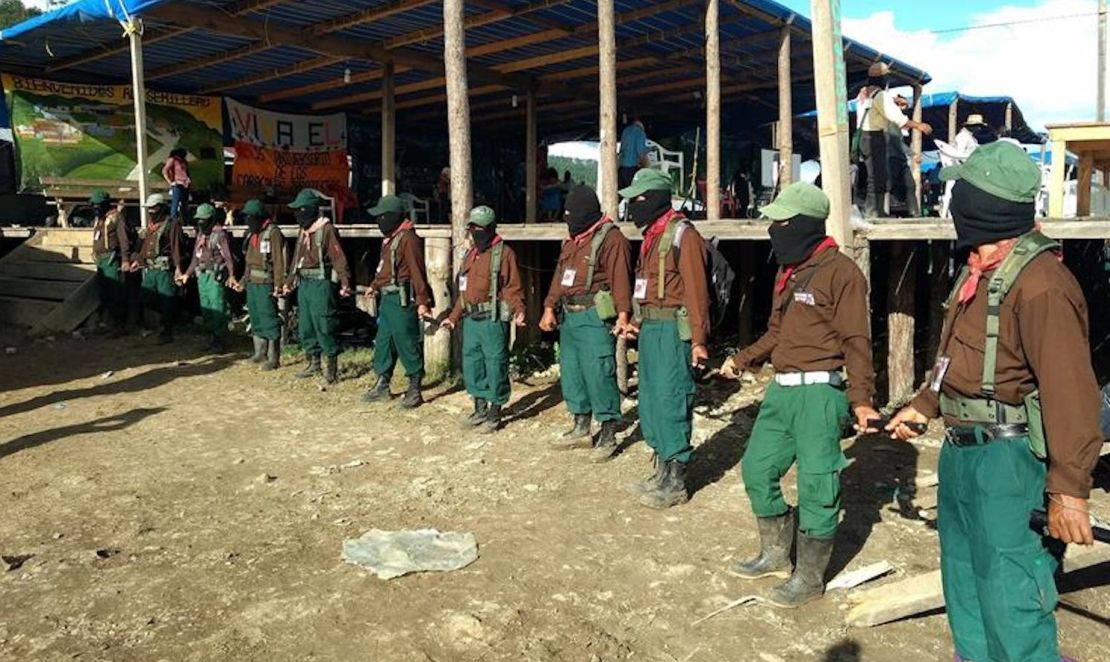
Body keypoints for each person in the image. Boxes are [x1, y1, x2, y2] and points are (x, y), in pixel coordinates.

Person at [886, 141, 1101, 662]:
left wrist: (1069, 491)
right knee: (965, 580)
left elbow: (1071, 393)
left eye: (964, 190)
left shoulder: (1043, 283)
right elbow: (954, 355)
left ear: (988, 204)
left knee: (1011, 593)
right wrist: (925, 404)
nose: (954, 198)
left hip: (1009, 461)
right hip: (962, 452)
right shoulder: (977, 269)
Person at [720, 182, 879, 608]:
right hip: (781, 393)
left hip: (818, 395)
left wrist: (861, 398)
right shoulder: (789, 270)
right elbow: (776, 331)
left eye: (781, 222)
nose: (774, 229)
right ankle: (775, 554)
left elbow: (856, 341)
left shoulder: (842, 273)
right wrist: (743, 359)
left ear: (806, 225)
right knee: (757, 469)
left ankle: (809, 578)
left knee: (816, 486)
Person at [619, 169, 708, 509]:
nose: (634, 206)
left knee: (672, 399)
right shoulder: (651, 236)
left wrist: (699, 340)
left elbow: (697, 294)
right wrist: (637, 321)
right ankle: (661, 470)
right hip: (651, 330)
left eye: (639, 199)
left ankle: (677, 481)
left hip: (673, 331)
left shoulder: (682, 236)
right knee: (652, 400)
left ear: (656, 198)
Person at [540, 184, 633, 461]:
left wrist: (624, 315)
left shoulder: (612, 239)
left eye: (573, 215)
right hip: (569, 316)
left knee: (599, 373)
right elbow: (560, 276)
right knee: (573, 372)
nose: (569, 221)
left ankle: (608, 432)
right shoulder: (571, 239)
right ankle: (581, 427)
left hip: (594, 315)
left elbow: (620, 281)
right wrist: (548, 306)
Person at [441, 206, 525, 433]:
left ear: (489, 229)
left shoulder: (504, 254)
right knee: (472, 364)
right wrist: (453, 317)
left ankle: (495, 412)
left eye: (478, 228)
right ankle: (479, 408)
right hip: (471, 319)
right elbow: (463, 292)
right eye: (471, 228)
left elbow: (512, 287)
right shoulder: (471, 253)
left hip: (492, 319)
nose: (474, 232)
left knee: (495, 364)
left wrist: (519, 309)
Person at [363, 194, 433, 409]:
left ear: (392, 217)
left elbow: (417, 271)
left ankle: (414, 388)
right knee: (384, 342)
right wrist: (374, 285)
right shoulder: (391, 238)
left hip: (403, 300)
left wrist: (423, 301)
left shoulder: (408, 238)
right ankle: (382, 383)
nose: (379, 222)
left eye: (382, 217)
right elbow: (384, 269)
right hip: (387, 298)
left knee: (407, 342)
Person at [282, 189, 352, 385]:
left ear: (311, 210)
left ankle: (331, 365)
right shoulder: (303, 231)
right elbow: (296, 258)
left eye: (301, 210)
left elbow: (338, 257)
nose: (298, 214)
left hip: (321, 283)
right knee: (306, 325)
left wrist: (345, 282)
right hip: (304, 283)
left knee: (324, 324)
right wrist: (289, 282)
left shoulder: (326, 229)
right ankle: (313, 362)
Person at [855, 63, 932, 217]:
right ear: (884, 79)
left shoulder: (864, 94)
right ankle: (872, 212)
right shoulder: (881, 96)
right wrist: (919, 125)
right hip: (874, 137)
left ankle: (877, 211)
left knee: (878, 177)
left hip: (865, 137)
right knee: (877, 177)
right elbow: (898, 119)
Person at [177, 203, 240, 352]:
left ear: (211, 219)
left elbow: (228, 257)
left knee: (217, 308)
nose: (200, 222)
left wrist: (231, 275)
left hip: (215, 277)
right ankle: (212, 338)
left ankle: (220, 341)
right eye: (198, 219)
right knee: (206, 309)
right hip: (202, 276)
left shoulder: (219, 234)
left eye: (203, 219)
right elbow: (195, 257)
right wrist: (187, 273)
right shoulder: (200, 235)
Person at [237, 198, 286, 371]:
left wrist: (279, 284)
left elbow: (279, 261)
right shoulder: (252, 234)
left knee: (269, 318)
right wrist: (243, 280)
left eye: (250, 217)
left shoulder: (272, 233)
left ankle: (274, 357)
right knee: (255, 316)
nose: (247, 221)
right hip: (252, 282)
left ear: (258, 217)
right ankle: (259, 353)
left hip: (266, 282)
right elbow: (248, 261)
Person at [130, 193, 185, 345]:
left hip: (164, 269)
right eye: (149, 209)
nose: (150, 212)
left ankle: (167, 331)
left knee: (167, 300)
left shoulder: (171, 224)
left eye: (153, 208)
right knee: (145, 297)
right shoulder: (150, 226)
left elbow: (176, 248)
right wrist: (138, 260)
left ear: (160, 208)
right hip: (150, 268)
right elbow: (145, 245)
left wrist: (179, 268)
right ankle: (174, 317)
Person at [89, 190, 131, 337]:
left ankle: (120, 325)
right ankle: (109, 323)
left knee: (116, 292)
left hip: (112, 259)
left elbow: (123, 239)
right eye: (93, 204)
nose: (95, 207)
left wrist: (125, 259)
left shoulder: (116, 217)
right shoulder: (99, 220)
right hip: (101, 261)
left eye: (98, 205)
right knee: (104, 293)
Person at [618, 116, 651, 190]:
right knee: (633, 192)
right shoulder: (640, 132)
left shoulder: (625, 131)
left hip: (622, 166)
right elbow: (640, 151)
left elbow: (622, 148)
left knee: (622, 192)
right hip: (631, 167)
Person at [162, 148, 191, 220]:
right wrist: (170, 182)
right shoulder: (173, 159)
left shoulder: (183, 161)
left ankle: (185, 220)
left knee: (185, 204)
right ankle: (173, 220)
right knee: (175, 203)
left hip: (185, 184)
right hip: (177, 184)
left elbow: (185, 171)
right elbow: (165, 170)